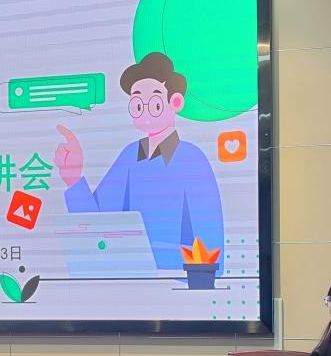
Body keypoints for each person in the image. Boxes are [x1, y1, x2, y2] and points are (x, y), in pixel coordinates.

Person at [52, 52, 225, 272]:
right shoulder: (129, 156)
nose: (144, 112)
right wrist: (73, 178)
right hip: (127, 282)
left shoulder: (193, 160)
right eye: (137, 104)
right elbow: (95, 224)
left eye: (154, 104)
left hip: (176, 285)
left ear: (175, 102)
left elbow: (210, 248)